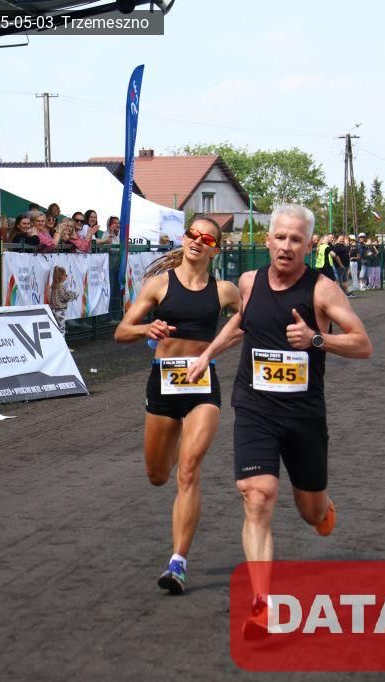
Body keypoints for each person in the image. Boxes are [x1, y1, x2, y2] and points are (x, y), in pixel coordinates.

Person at [185, 204, 372, 633]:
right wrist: (207, 354)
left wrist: (316, 339)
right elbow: (242, 323)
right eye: (280, 237)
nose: (287, 246)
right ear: (267, 240)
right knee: (257, 495)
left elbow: (363, 344)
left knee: (311, 514)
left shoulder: (322, 290)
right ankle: (261, 604)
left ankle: (321, 505)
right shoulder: (249, 282)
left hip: (303, 415)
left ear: (309, 245)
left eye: (296, 240)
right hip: (255, 407)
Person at [114, 216, 241, 595]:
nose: (197, 241)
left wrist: (215, 348)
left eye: (207, 239)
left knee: (189, 470)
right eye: (192, 234)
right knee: (158, 475)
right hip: (163, 384)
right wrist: (146, 329)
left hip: (203, 386)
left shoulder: (225, 291)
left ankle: (178, 563)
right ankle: (172, 449)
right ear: (184, 239)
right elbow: (122, 331)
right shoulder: (159, 285)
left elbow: (251, 321)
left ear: (215, 249)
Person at [49, 266, 79, 335]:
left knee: (57, 328)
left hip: (54, 310)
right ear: (61, 276)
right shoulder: (59, 286)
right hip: (59, 310)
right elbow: (65, 297)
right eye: (65, 274)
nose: (66, 276)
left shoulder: (54, 285)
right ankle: (62, 342)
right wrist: (75, 294)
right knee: (61, 329)